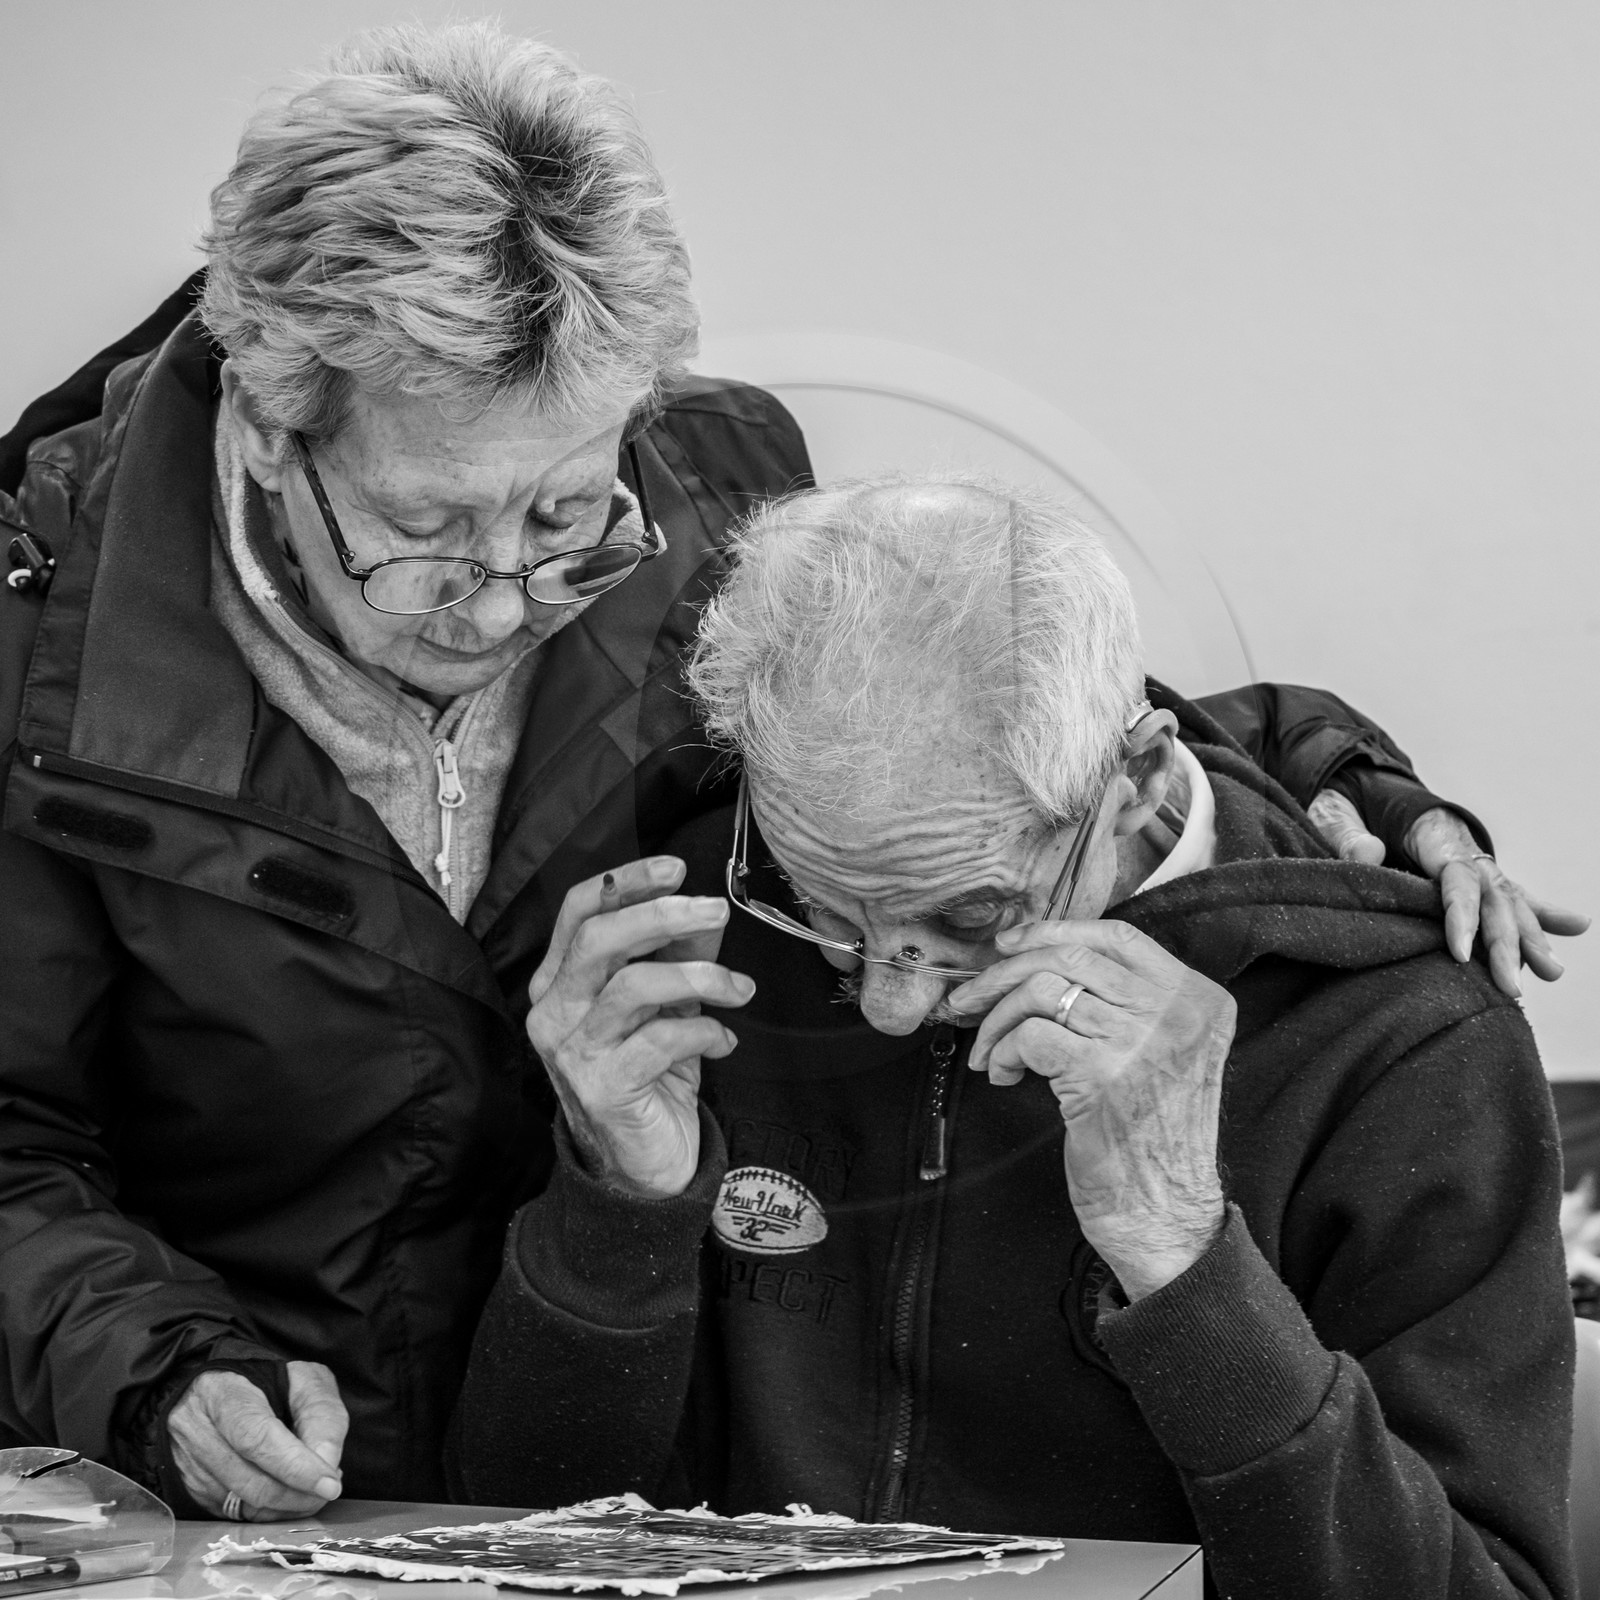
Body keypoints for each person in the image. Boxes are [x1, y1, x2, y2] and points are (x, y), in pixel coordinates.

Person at [0, 20, 1575, 1525]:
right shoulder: (37, 657)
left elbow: (985, 710)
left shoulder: (707, 484)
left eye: (562, 517)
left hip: (587, 1405)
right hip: (248, 1474)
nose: (499, 601)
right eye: (422, 533)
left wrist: (1338, 779)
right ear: (275, 435)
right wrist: (153, 1375)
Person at [452, 476, 1577, 1600]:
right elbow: (519, 1541)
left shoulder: (1403, 1043)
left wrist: (1182, 1257)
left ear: (1131, 781)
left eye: (971, 917)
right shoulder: (695, 930)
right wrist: (618, 1209)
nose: (889, 1005)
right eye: (824, 907)